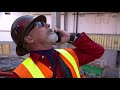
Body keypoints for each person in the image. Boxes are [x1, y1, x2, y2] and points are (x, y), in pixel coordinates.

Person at [10, 15, 104, 78]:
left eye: (45, 23)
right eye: (40, 24)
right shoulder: (21, 74)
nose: (48, 25)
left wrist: (71, 38)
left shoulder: (69, 55)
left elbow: (98, 51)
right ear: (29, 39)